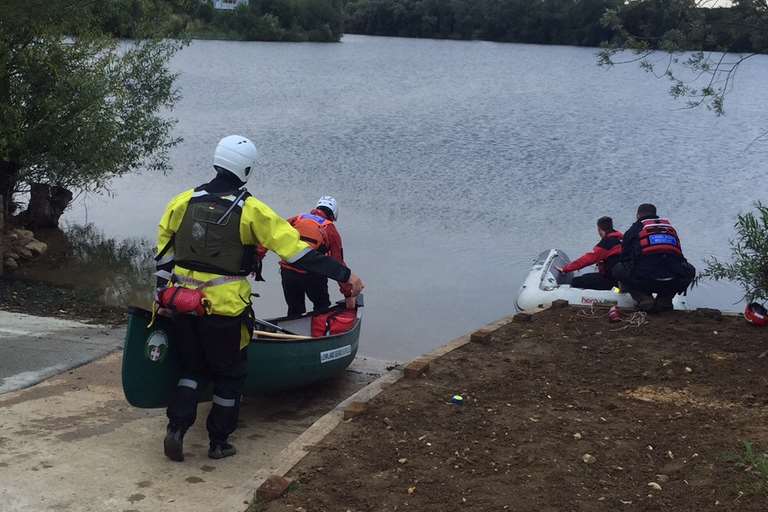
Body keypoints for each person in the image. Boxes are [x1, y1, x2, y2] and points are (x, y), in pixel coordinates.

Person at [154, 135, 364, 462]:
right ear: (247, 169)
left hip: (181, 303)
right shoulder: (252, 210)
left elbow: (163, 257)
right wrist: (344, 275)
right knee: (230, 374)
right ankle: (218, 442)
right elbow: (297, 254)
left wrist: (160, 297)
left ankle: (176, 429)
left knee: (190, 368)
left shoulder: (181, 201)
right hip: (224, 310)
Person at [611, 203, 695, 313]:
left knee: (618, 268)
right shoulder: (669, 229)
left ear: (637, 215)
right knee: (690, 269)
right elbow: (680, 258)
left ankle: (644, 298)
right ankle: (665, 299)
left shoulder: (633, 230)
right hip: (671, 281)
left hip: (645, 280)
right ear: (655, 214)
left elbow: (624, 258)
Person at [279, 196, 353, 316]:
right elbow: (337, 264)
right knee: (322, 306)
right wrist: (348, 293)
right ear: (333, 214)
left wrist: (257, 258)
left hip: (288, 272)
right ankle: (320, 331)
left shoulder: (297, 219)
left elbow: (273, 234)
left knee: (294, 309)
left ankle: (291, 330)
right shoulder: (329, 228)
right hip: (312, 274)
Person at [558, 216, 623, 290]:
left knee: (575, 281)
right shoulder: (621, 239)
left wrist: (565, 269)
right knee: (586, 276)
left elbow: (586, 260)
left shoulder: (605, 245)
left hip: (612, 282)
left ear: (599, 229)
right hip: (621, 279)